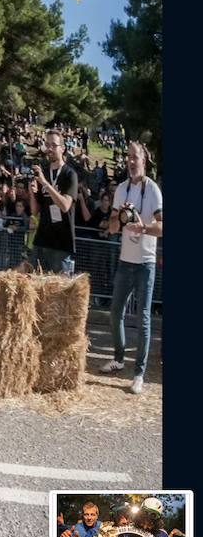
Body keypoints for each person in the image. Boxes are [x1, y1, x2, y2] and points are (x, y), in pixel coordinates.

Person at [102, 141, 162, 394]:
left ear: (144, 161)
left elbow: (162, 227)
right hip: (125, 261)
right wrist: (118, 218)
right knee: (116, 313)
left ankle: (138, 373)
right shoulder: (122, 190)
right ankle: (118, 358)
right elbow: (113, 227)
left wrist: (144, 228)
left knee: (143, 318)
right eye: (128, 157)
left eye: (135, 157)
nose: (130, 161)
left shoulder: (154, 191)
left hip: (146, 263)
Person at [27, 131, 78, 274]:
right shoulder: (43, 172)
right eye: (47, 144)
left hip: (61, 244)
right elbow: (34, 211)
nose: (49, 148)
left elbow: (65, 206)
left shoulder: (70, 174)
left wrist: (45, 183)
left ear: (62, 148)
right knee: (35, 288)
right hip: (42, 239)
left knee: (58, 293)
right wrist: (32, 193)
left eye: (54, 145)